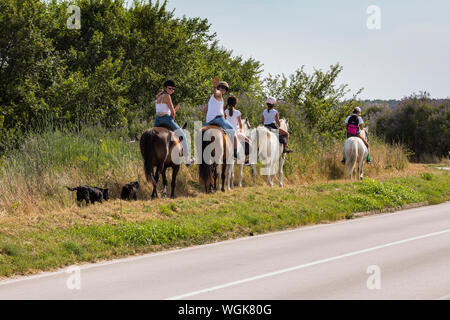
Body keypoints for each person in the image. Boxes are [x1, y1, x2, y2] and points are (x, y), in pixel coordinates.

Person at [154, 80, 194, 166]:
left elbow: (164, 110)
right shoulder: (168, 96)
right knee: (183, 135)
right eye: (170, 88)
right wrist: (173, 119)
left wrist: (176, 109)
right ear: (165, 88)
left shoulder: (158, 97)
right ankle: (187, 160)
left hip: (157, 119)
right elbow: (172, 112)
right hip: (166, 119)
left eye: (173, 89)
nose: (172, 90)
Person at [203, 77, 238, 157]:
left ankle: (197, 155)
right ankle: (234, 153)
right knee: (233, 132)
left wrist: (208, 118)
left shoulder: (212, 98)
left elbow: (204, 110)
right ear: (219, 88)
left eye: (224, 88)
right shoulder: (218, 94)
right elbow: (216, 92)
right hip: (219, 120)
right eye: (221, 87)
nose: (223, 89)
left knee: (200, 135)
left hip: (209, 121)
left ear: (226, 91)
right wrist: (215, 87)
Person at [224, 96, 251, 164]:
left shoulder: (224, 111)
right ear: (235, 103)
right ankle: (245, 158)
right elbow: (240, 124)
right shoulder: (237, 112)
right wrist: (240, 130)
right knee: (247, 141)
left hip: (224, 129)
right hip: (233, 130)